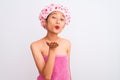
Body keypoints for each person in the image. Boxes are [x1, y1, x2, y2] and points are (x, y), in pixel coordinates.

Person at [30, 3, 71, 80]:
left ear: (64, 25)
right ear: (45, 21)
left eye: (62, 19)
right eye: (54, 17)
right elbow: (47, 77)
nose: (58, 21)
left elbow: (67, 71)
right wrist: (52, 50)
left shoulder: (67, 43)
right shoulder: (35, 45)